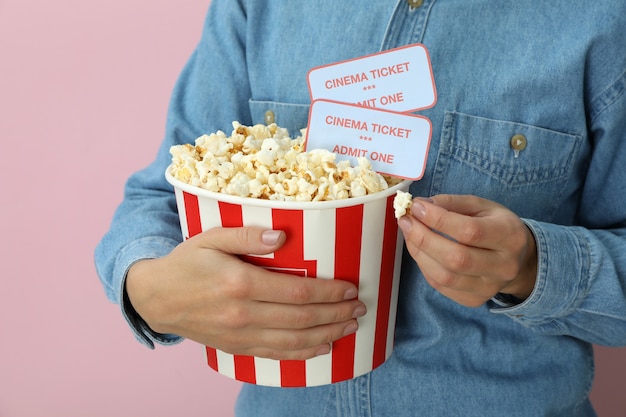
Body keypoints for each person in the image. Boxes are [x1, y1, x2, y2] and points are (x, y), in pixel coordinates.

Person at [95, 1, 626, 416]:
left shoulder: (602, 18)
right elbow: (165, 193)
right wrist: (147, 290)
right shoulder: (260, 6)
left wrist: (532, 266)